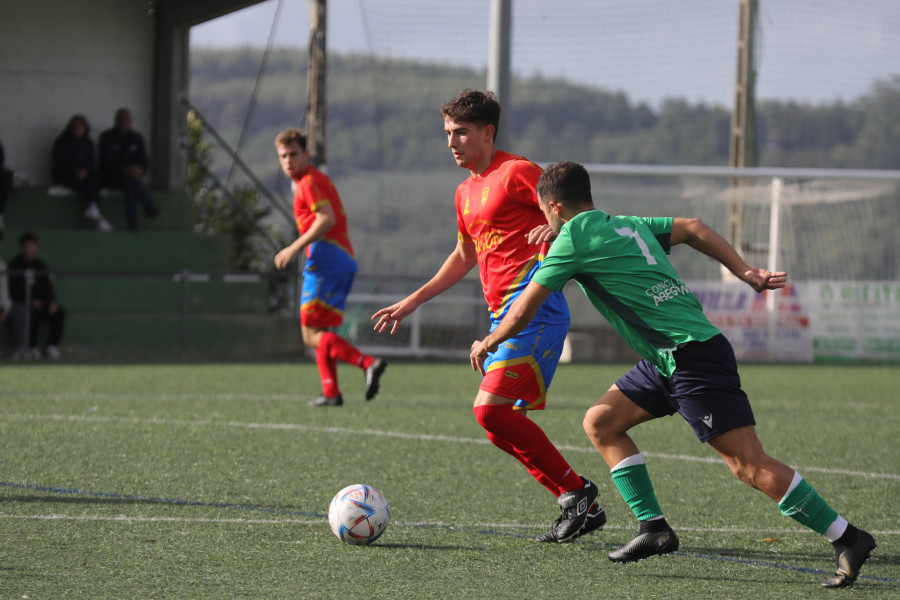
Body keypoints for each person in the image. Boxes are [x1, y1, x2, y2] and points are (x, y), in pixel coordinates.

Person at [470, 161, 876, 588]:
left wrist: (489, 340)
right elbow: (695, 227)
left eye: (543, 212)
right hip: (667, 357)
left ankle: (848, 537)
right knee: (602, 422)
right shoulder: (625, 224)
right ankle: (654, 529)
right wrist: (746, 272)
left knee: (748, 465)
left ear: (552, 206)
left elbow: (522, 308)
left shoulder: (572, 239)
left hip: (691, 356)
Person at [372, 90, 602, 543]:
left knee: (488, 413)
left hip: (535, 311)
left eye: (461, 132)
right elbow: (463, 256)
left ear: (487, 132)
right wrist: (413, 300)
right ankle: (577, 501)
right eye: (447, 133)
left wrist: (555, 230)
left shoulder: (518, 172)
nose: (452, 142)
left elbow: (573, 213)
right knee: (497, 427)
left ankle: (578, 493)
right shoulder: (464, 192)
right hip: (504, 319)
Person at [273, 127, 387, 407]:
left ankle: (367, 363)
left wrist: (294, 246)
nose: (288, 160)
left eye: (294, 154)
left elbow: (326, 219)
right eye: (283, 156)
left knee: (310, 334)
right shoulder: (315, 179)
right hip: (340, 259)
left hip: (326, 260)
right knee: (322, 331)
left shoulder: (307, 183)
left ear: (306, 155)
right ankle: (331, 392)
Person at [98, 108, 160, 231]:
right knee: (130, 182)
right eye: (120, 118)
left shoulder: (136, 138)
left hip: (131, 178)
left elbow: (144, 160)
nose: (123, 121)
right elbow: (107, 161)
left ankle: (133, 223)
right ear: (115, 120)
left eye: (125, 118)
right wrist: (124, 169)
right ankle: (147, 204)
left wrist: (139, 170)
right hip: (111, 177)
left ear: (130, 120)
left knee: (129, 184)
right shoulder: (107, 137)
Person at [7, 231, 65, 360]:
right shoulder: (14, 265)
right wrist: (31, 301)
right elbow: (13, 290)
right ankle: (31, 346)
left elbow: (47, 286)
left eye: (32, 245)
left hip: (42, 303)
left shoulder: (41, 265)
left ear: (36, 246)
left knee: (59, 312)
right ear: (21, 247)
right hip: (25, 303)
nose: (29, 248)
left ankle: (52, 345)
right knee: (30, 312)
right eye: (26, 245)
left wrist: (51, 302)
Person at [52, 115, 112, 232]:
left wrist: (85, 171)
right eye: (75, 126)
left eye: (80, 126)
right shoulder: (62, 142)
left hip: (85, 176)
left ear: (85, 128)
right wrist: (75, 171)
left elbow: (92, 162)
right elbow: (59, 163)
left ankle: (95, 210)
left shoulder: (88, 142)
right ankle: (97, 215)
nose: (77, 129)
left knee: (94, 181)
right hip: (66, 176)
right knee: (90, 184)